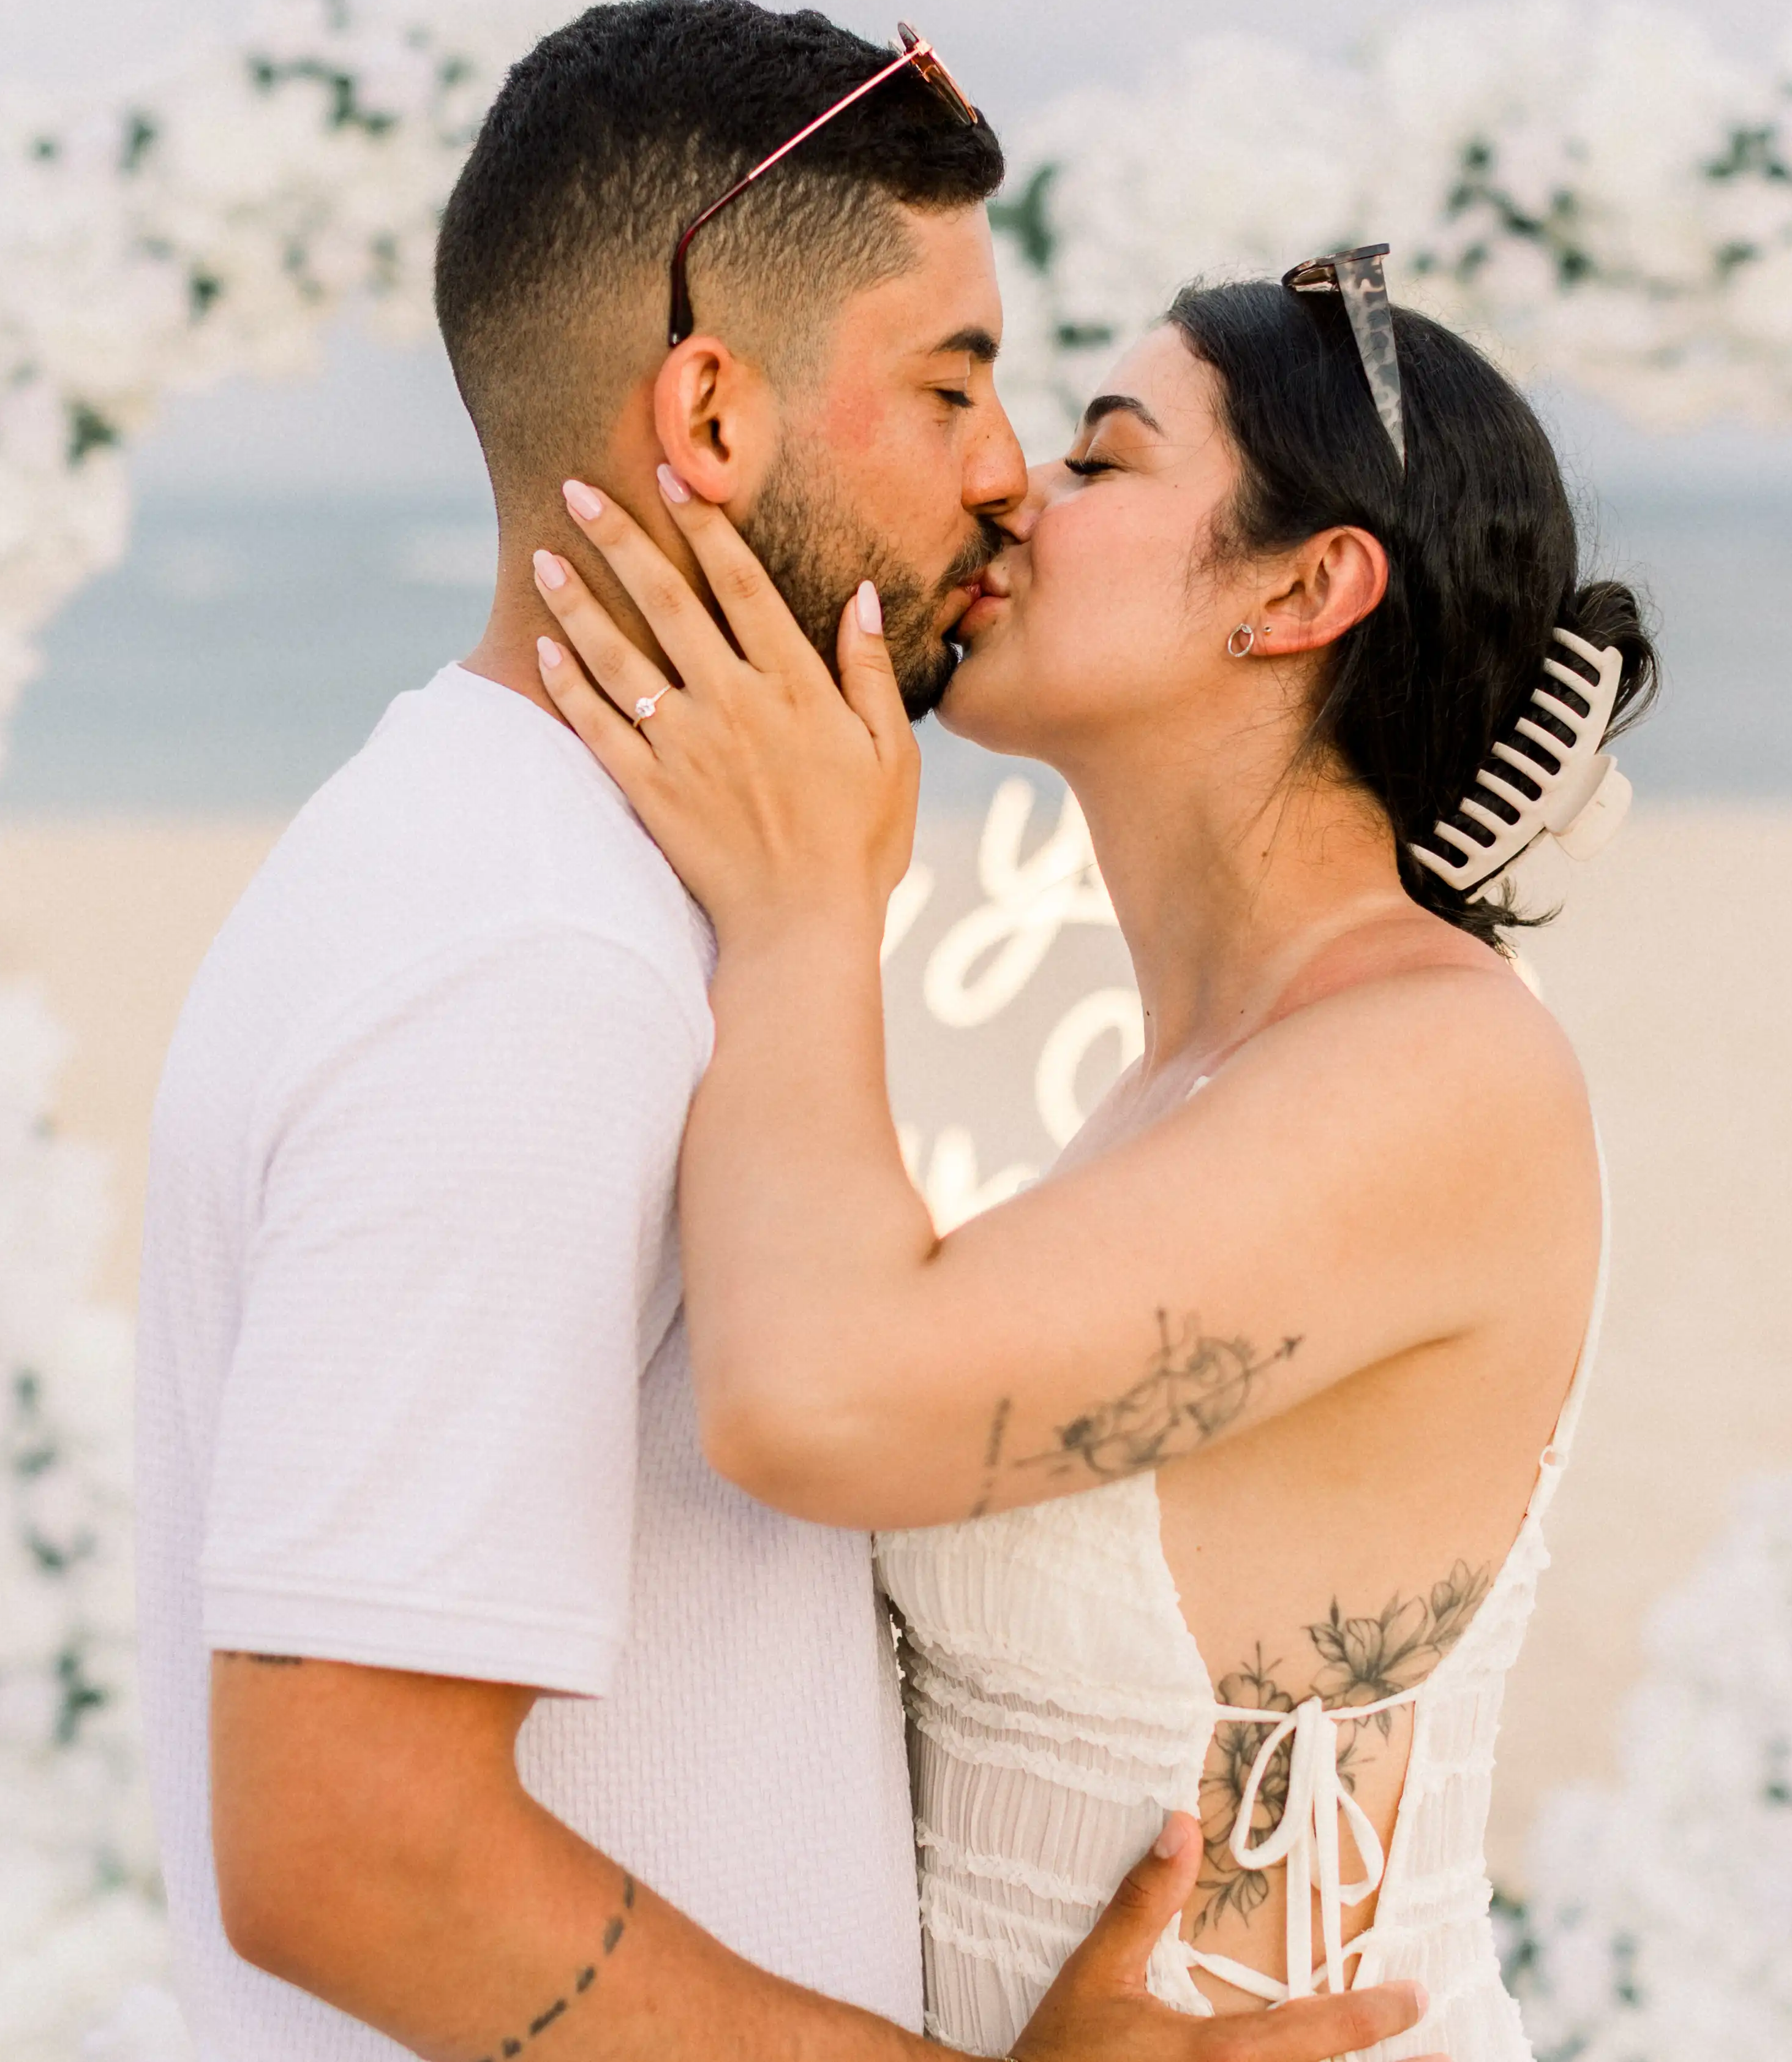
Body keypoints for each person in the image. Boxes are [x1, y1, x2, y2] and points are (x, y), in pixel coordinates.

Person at [132, 0, 1430, 2062]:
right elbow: (348, 1845)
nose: (1008, 482)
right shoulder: (532, 955)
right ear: (714, 417)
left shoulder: (533, 865)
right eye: (953, 387)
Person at [524, 254, 1657, 2058]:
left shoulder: (1442, 1065)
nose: (1009, 495)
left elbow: (811, 1398)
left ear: (1306, 587)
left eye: (1103, 461)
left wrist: (812, 903)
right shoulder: (1195, 1079)